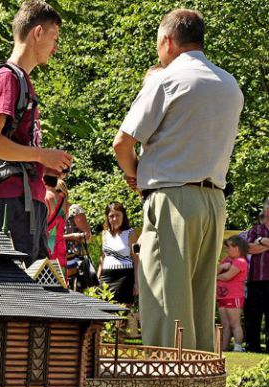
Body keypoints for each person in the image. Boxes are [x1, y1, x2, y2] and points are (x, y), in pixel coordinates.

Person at [113, 9, 244, 352]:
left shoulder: (167, 80)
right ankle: (200, 378)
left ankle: (166, 377)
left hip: (171, 199)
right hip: (214, 202)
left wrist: (135, 176)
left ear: (168, 41)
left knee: (165, 301)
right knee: (200, 304)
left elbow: (122, 143)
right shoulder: (229, 85)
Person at [0, 0, 72, 264]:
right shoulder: (6, 78)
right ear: (38, 33)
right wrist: (41, 155)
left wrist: (44, 163)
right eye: (54, 38)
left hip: (25, 204)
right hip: (10, 205)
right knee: (13, 285)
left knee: (33, 283)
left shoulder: (21, 80)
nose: (56, 47)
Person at [98, 202, 138, 306]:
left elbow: (136, 259)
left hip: (124, 278)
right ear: (107, 218)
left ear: (123, 216)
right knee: (104, 310)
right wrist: (97, 278)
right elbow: (103, 257)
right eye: (111, 216)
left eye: (118, 215)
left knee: (122, 311)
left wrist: (137, 282)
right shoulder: (104, 233)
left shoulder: (130, 233)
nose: (115, 218)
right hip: (106, 277)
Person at [216, 235, 249, 352]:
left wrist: (214, 276)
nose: (226, 249)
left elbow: (227, 276)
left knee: (235, 324)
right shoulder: (227, 259)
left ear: (237, 248)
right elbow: (216, 270)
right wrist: (222, 267)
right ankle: (223, 348)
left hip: (234, 296)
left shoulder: (240, 261)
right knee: (225, 325)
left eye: (229, 247)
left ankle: (238, 347)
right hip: (222, 297)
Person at [245, 198, 269, 352]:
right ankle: (252, 347)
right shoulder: (255, 230)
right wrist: (262, 241)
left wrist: (260, 242)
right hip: (255, 279)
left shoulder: (257, 235)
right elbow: (249, 249)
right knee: (253, 315)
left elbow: (255, 247)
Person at [64, 203, 92, 291]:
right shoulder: (46, 206)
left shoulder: (74, 210)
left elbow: (87, 236)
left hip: (74, 263)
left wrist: (71, 236)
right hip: (54, 259)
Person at [44, 178, 68, 269]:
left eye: (58, 191)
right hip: (59, 243)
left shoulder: (48, 199)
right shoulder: (66, 205)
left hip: (49, 242)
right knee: (58, 272)